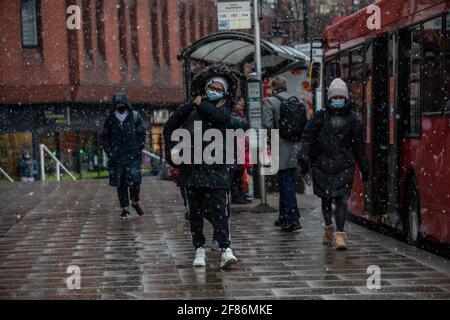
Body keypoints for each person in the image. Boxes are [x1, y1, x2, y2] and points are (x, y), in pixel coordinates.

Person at [163, 64, 247, 269]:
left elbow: (220, 118)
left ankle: (226, 249)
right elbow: (170, 126)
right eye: (212, 87)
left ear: (226, 91)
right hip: (192, 168)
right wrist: (174, 151)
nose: (215, 91)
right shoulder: (190, 107)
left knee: (220, 210)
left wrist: (202, 105)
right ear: (205, 86)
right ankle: (198, 248)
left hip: (217, 167)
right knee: (195, 212)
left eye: (220, 89)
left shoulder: (224, 109)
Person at [297, 78, 370, 250]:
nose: (338, 100)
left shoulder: (353, 119)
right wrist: (304, 159)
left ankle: (339, 235)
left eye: (341, 97)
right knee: (326, 199)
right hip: (322, 165)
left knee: (341, 199)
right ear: (330, 98)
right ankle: (329, 227)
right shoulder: (320, 116)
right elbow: (307, 137)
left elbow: (358, 147)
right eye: (335, 97)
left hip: (344, 166)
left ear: (346, 98)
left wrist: (365, 169)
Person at [262, 76, 302, 232]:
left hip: (280, 147)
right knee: (287, 180)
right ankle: (283, 216)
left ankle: (293, 218)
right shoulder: (295, 100)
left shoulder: (270, 102)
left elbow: (267, 125)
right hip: (294, 146)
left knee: (285, 183)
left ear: (273, 87)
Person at [102, 92, 146, 219]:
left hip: (132, 155)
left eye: (122, 103)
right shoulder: (110, 119)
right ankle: (125, 209)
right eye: (117, 103)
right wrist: (110, 152)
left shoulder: (135, 117)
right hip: (117, 157)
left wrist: (138, 149)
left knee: (135, 182)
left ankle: (135, 201)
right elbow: (105, 137)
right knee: (120, 184)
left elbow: (141, 134)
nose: (120, 105)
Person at [231, 97, 252, 204]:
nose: (243, 102)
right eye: (240, 101)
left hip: (241, 146)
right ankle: (237, 195)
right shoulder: (235, 115)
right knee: (236, 173)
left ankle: (240, 193)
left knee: (240, 172)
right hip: (237, 146)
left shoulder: (240, 114)